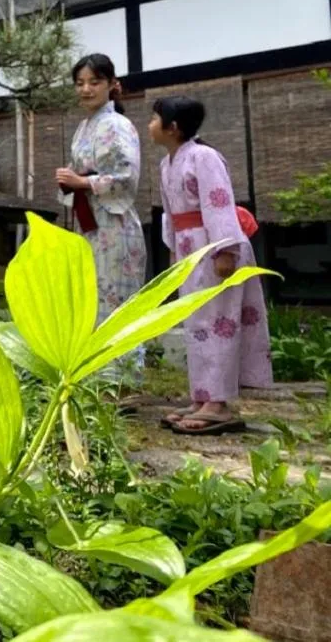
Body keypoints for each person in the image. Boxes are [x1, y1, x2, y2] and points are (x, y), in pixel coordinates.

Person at [149, 96, 272, 435]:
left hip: (214, 245)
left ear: (172, 128)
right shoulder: (166, 164)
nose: (150, 125)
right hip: (190, 248)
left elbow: (219, 203)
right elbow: (170, 217)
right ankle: (202, 397)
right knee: (197, 321)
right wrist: (174, 253)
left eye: (155, 119)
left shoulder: (204, 157)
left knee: (219, 320)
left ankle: (218, 403)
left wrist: (226, 250)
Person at [55, 54, 148, 387]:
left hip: (115, 224)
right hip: (90, 222)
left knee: (115, 299)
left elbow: (126, 177)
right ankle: (97, 378)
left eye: (94, 82)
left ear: (112, 85)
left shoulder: (117, 125)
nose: (86, 89)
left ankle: (122, 381)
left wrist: (82, 182)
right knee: (91, 297)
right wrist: (71, 181)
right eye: (80, 83)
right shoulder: (84, 126)